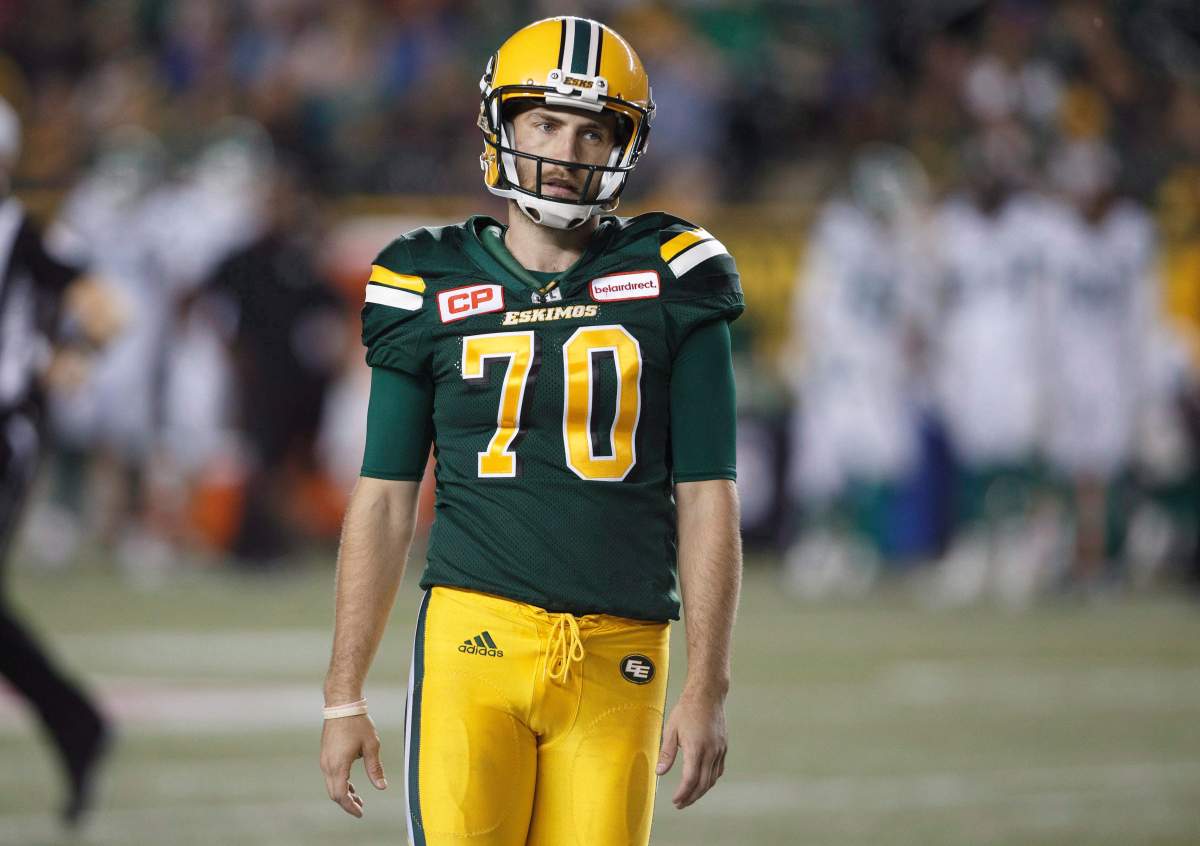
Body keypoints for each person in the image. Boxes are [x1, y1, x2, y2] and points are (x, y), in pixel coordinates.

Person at [319, 16, 744, 846]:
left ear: (626, 146)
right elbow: (382, 499)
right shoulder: (424, 278)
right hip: (474, 642)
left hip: (623, 647)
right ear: (501, 127)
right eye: (545, 121)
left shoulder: (676, 272)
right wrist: (344, 694)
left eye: (593, 129)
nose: (567, 148)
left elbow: (707, 495)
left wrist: (709, 686)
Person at [0, 95, 116, 826]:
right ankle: (76, 723)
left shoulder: (23, 235)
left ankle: (77, 724)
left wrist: (69, 355)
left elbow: (108, 311)